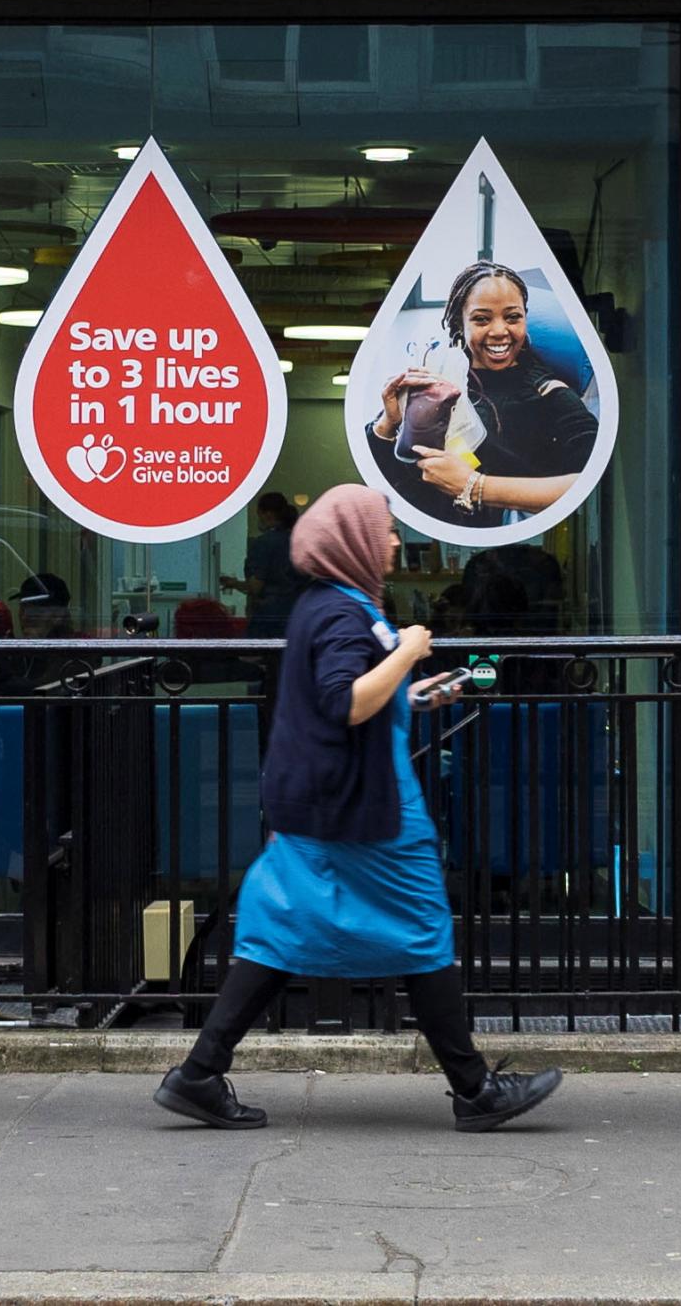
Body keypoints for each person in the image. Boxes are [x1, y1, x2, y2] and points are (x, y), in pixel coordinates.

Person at [152, 484, 563, 1135]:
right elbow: (345, 701)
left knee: (276, 926)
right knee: (423, 927)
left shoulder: (329, 605)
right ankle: (475, 1088)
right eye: (386, 530)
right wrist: (408, 648)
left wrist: (419, 694)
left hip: (323, 799)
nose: (396, 541)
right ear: (356, 542)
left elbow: (353, 699)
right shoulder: (345, 615)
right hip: (364, 808)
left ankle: (199, 1072)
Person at [365, 261, 598, 529]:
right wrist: (387, 423)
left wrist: (475, 486)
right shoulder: (437, 380)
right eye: (482, 319)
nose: (499, 331)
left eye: (512, 317)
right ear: (459, 323)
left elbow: (588, 482)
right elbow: (384, 473)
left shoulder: (547, 392)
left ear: (525, 317)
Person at [221, 492, 305, 638]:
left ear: (267, 514)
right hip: (298, 615)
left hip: (268, 619)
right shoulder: (301, 543)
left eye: (258, 514)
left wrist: (233, 583)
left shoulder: (263, 543)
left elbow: (255, 586)